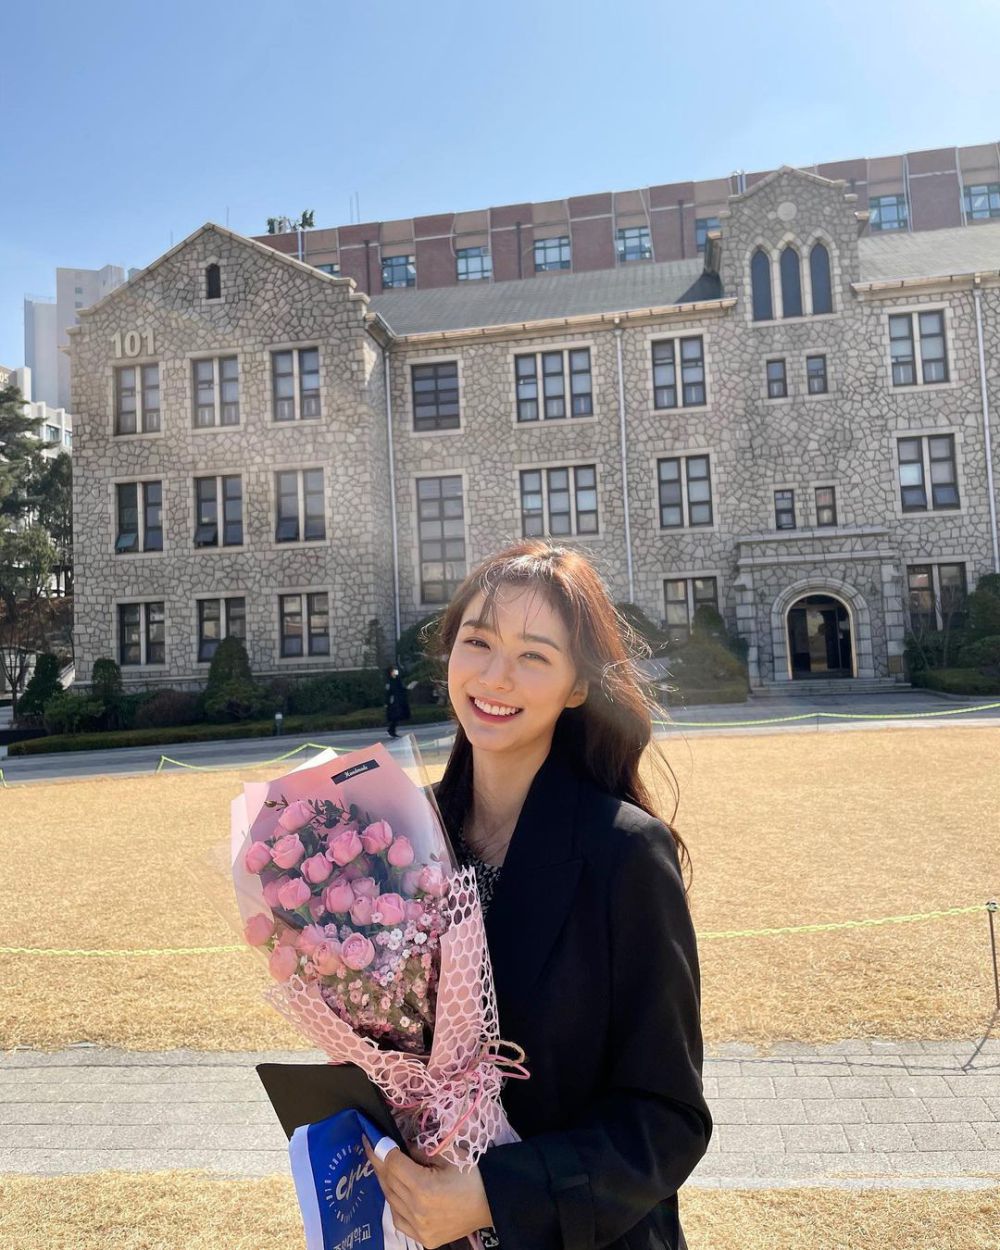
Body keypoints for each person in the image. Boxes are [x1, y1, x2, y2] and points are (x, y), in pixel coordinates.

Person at [365, 539, 712, 1250]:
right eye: (478, 642)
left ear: (577, 686)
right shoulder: (403, 838)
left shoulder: (623, 853)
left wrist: (493, 1196)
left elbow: (668, 1118)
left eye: (534, 655)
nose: (497, 676)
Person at [385, 664, 410, 738]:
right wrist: (387, 702)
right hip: (393, 702)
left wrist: (407, 688)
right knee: (395, 716)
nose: (395, 672)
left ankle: (392, 730)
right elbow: (388, 693)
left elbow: (402, 688)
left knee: (398, 716)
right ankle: (391, 730)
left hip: (399, 700)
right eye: (393, 671)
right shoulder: (389, 681)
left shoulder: (398, 679)